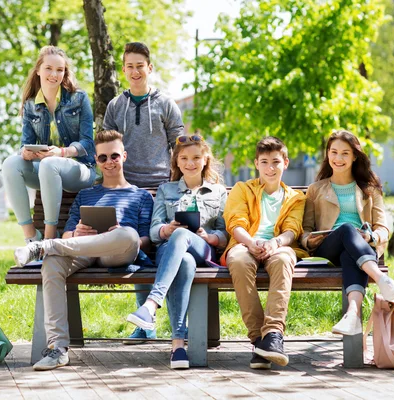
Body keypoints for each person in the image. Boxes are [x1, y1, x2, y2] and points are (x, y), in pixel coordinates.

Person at [13, 130, 154, 371]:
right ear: (97, 162)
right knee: (53, 263)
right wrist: (76, 233)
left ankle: (45, 246)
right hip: (83, 252)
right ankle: (57, 348)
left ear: (124, 156)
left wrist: (114, 235)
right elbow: (68, 235)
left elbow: (145, 240)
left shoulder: (141, 196)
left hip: (119, 252)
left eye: (114, 156)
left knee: (127, 234)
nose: (109, 162)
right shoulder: (86, 195)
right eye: (102, 158)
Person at [103, 42, 185, 343]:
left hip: (160, 187)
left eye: (140, 65)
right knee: (137, 249)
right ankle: (145, 323)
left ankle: (179, 323)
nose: (135, 71)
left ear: (149, 68)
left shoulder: (165, 103)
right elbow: (108, 147)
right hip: (128, 189)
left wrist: (174, 186)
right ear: (123, 70)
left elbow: (180, 147)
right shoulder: (115, 106)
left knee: (166, 250)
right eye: (130, 66)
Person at [126, 134, 228, 369]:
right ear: (177, 162)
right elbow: (153, 231)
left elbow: (225, 233)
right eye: (184, 158)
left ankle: (151, 304)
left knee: (184, 236)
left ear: (205, 160)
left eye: (195, 158)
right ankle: (178, 346)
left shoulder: (219, 192)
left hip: (204, 250)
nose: (190, 163)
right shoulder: (166, 189)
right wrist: (165, 230)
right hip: (170, 251)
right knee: (184, 261)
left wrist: (208, 236)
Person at [300, 129, 394, 337]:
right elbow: (305, 229)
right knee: (347, 228)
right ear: (328, 154)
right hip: (328, 248)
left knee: (350, 252)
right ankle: (381, 280)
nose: (338, 158)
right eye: (333, 152)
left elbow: (383, 228)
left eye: (345, 153)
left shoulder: (370, 190)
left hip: (359, 250)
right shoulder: (316, 189)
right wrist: (309, 239)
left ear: (355, 156)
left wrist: (371, 237)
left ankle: (352, 315)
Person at [222, 137, 307, 369]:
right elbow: (235, 222)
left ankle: (273, 334)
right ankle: (260, 340)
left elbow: (292, 229)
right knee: (238, 259)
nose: (270, 168)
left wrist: (276, 243)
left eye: (276, 162)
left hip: (279, 246)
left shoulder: (296, 198)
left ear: (286, 163)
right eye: (265, 162)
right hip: (246, 244)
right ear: (256, 163)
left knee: (284, 259)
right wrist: (250, 243)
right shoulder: (242, 189)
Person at [2, 46, 96, 242]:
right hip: (46, 170)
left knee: (49, 163)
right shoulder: (30, 104)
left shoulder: (79, 99)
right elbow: (25, 144)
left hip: (80, 170)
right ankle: (31, 236)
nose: (54, 74)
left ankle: (49, 237)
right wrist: (26, 153)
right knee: (10, 163)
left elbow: (88, 143)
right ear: (38, 70)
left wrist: (62, 152)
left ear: (65, 73)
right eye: (48, 68)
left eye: (60, 70)